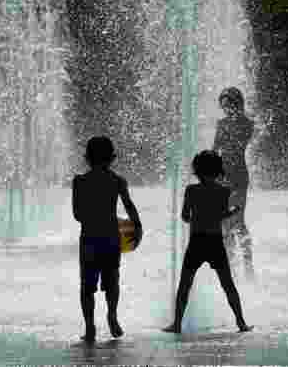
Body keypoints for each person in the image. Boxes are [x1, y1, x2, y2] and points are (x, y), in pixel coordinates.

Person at [162, 150, 252, 334]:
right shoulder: (223, 191)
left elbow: (185, 217)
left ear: (196, 169)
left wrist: (197, 217)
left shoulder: (191, 190)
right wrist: (234, 210)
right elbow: (222, 215)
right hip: (215, 242)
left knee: (185, 284)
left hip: (196, 242)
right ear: (219, 170)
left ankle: (177, 323)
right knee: (227, 284)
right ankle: (241, 323)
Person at [72, 136, 143, 343]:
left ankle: (90, 326)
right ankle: (112, 315)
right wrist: (136, 226)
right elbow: (129, 206)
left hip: (89, 240)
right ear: (113, 158)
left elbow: (77, 214)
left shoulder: (80, 182)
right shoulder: (118, 181)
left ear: (87, 158)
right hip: (111, 238)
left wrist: (94, 215)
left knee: (87, 286)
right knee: (112, 281)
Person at [212, 86, 255, 281]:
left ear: (238, 104)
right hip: (222, 177)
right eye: (223, 106)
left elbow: (239, 143)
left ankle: (247, 264)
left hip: (238, 177)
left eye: (229, 105)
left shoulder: (247, 123)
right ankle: (232, 267)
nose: (226, 110)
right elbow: (215, 149)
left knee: (237, 222)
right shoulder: (221, 124)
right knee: (223, 225)